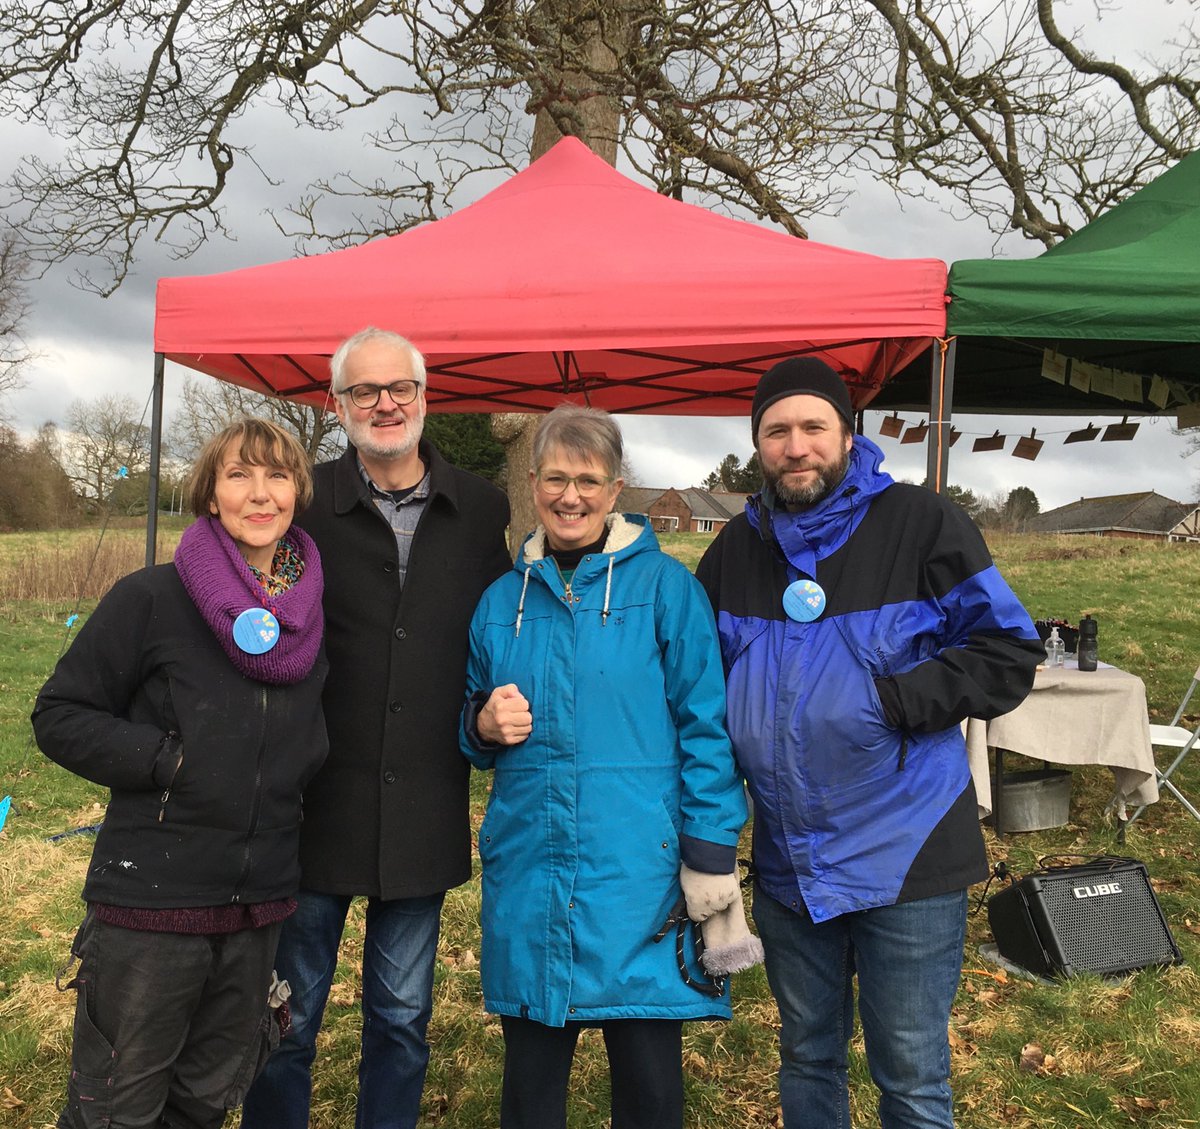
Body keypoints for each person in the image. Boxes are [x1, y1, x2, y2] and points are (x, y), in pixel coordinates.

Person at [695, 358, 1043, 1129]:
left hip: (906, 855)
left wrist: (894, 700)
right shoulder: (735, 549)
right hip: (790, 864)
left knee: (911, 1073)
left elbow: (1008, 648)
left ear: (848, 435)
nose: (796, 446)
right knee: (806, 1056)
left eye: (813, 426)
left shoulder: (921, 524)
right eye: (776, 431)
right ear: (758, 444)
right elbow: (692, 682)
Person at [241, 327, 511, 1129]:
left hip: (424, 801)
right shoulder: (305, 504)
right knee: (287, 1017)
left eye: (400, 387)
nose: (385, 403)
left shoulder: (480, 509)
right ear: (338, 404)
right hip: (313, 802)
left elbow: (501, 633)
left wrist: (489, 715)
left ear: (425, 397)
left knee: (401, 1019)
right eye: (365, 390)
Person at [461, 404, 755, 1129]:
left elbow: (706, 729)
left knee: (649, 1091)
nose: (571, 496)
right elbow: (469, 722)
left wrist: (710, 852)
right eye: (556, 478)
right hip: (532, 875)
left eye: (588, 480)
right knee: (530, 1095)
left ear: (616, 489)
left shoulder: (666, 591)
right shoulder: (500, 602)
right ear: (533, 484)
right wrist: (480, 724)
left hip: (640, 880)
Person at [32, 418, 328, 1129]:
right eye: (239, 474)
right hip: (152, 902)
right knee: (117, 1109)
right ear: (210, 493)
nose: (260, 493)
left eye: (277, 475)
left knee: (202, 1105)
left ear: (297, 491)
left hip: (258, 906)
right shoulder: (152, 598)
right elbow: (60, 713)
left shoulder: (310, 619)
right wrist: (167, 760)